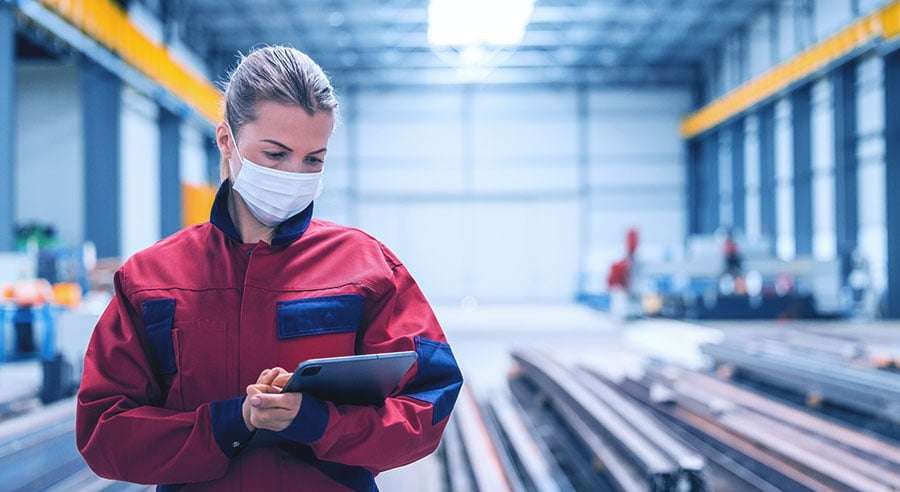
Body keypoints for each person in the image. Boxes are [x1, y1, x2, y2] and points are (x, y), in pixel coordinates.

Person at [76, 46, 463, 491]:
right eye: (276, 155)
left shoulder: (368, 267)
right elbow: (104, 431)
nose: (295, 174)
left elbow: (429, 401)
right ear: (227, 141)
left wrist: (318, 422)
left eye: (313, 159)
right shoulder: (151, 279)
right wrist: (230, 423)